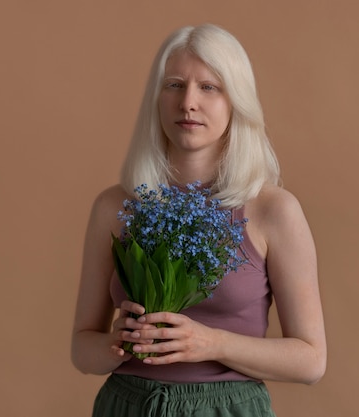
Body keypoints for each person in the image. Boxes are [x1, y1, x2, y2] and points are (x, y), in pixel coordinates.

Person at [71, 23, 326, 417]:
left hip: (227, 409)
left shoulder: (274, 211)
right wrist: (116, 343)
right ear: (156, 98)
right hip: (126, 404)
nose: (188, 102)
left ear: (235, 101)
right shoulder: (115, 206)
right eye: (174, 85)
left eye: (209, 87)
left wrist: (211, 343)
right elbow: (82, 350)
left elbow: (311, 361)